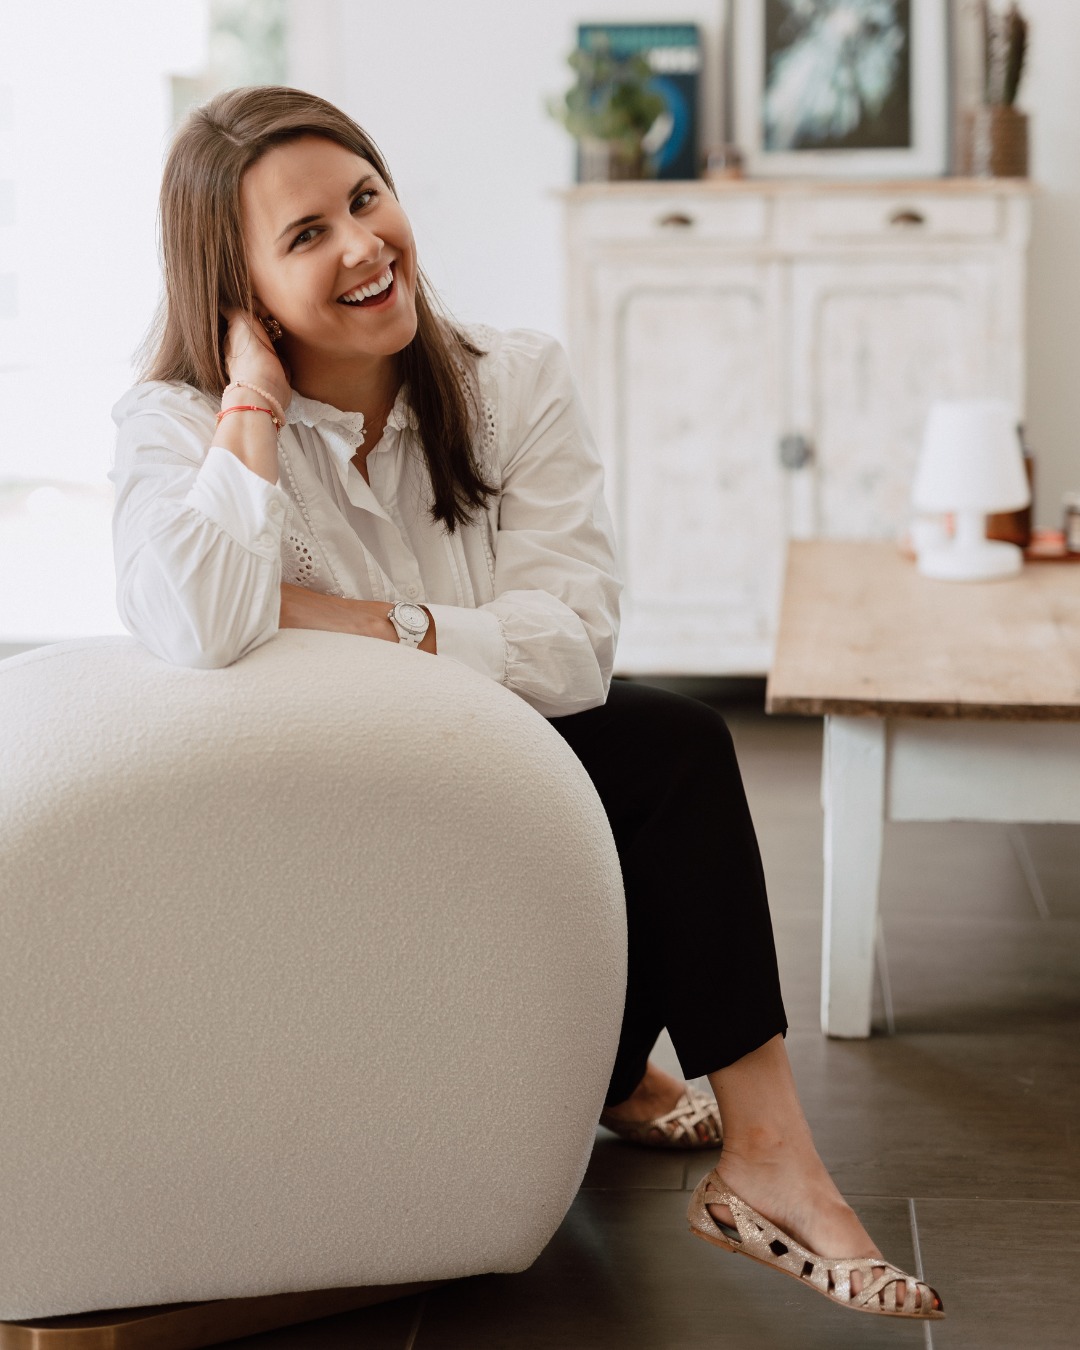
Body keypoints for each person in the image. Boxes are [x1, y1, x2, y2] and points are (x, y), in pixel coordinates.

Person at [110, 85, 943, 1322]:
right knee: (613, 774)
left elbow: (577, 646)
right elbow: (193, 622)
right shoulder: (177, 426)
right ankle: (622, 1082)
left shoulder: (511, 379)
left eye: (366, 198)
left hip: (511, 801)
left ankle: (768, 1157)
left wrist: (358, 624)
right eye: (307, 235)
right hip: (326, 836)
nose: (365, 245)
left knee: (666, 747)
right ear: (236, 294)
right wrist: (252, 409)